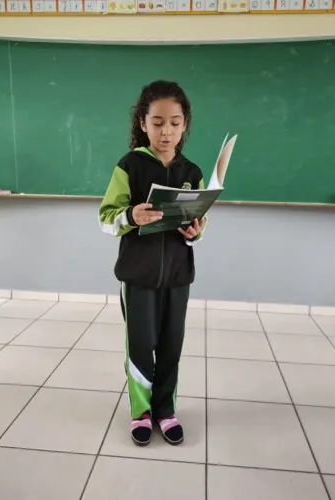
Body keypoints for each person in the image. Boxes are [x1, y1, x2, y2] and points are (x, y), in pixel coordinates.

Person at [97, 80, 207, 447]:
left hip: (178, 275)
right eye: (157, 122)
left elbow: (199, 225)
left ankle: (166, 410)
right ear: (143, 123)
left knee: (172, 345)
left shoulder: (192, 172)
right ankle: (141, 413)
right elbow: (105, 218)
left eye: (174, 122)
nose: (166, 131)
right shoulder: (129, 165)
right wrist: (130, 215)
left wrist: (195, 232)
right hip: (138, 276)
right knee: (141, 346)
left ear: (184, 124)